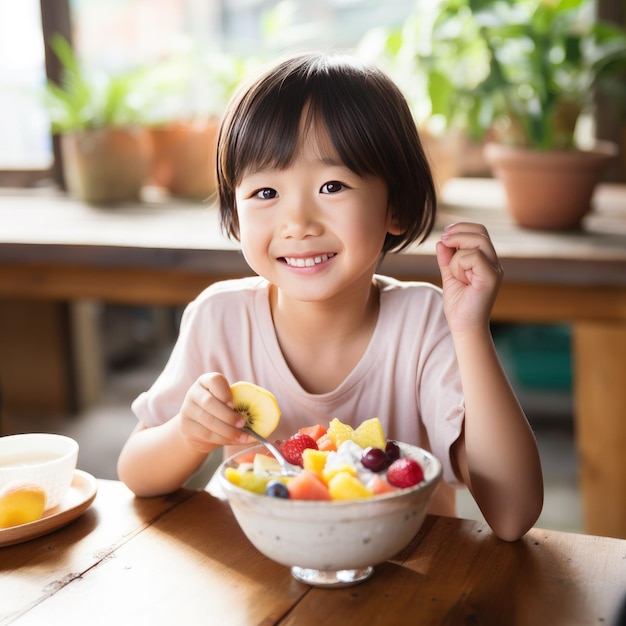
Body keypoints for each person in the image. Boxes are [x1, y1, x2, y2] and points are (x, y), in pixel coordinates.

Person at [117, 52, 543, 541]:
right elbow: (136, 474)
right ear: (235, 214)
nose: (298, 222)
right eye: (265, 193)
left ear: (395, 208)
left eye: (332, 185)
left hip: (410, 583)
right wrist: (187, 435)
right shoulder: (220, 318)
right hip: (263, 580)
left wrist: (469, 329)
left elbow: (513, 513)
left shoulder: (426, 322)